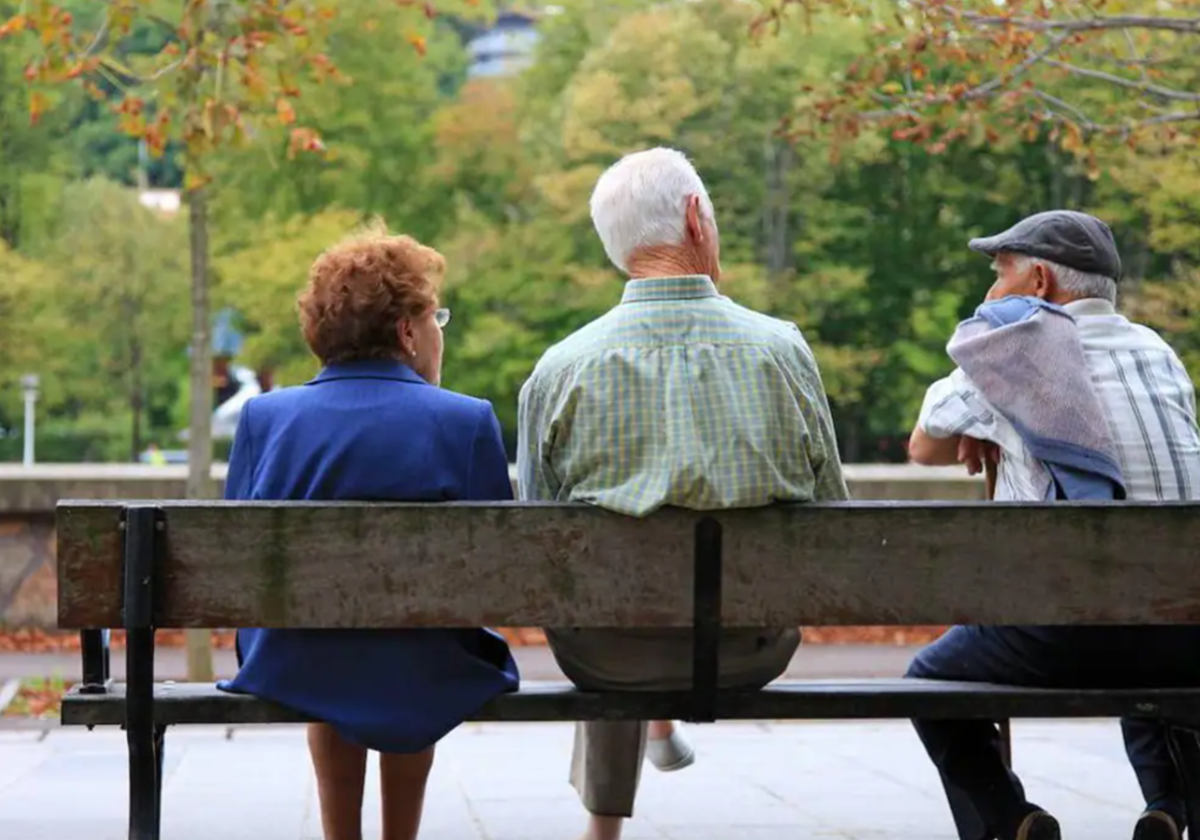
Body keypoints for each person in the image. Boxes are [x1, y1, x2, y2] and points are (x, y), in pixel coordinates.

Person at [517, 147, 848, 840]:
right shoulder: (782, 351)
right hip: (750, 647)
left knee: (611, 605)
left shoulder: (560, 370)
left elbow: (537, 544)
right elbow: (832, 520)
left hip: (605, 653)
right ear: (697, 218)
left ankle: (605, 820)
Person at [217, 223, 519, 840]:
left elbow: (239, 565)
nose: (439, 333)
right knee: (414, 645)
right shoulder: (465, 421)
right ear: (408, 332)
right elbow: (497, 573)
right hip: (426, 661)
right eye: (438, 319)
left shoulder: (264, 418)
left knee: (330, 643)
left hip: (293, 659)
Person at [907, 210, 1200, 840]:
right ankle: (1172, 809)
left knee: (927, 682)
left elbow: (923, 447)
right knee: (1149, 617)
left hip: (1060, 640)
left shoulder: (1010, 352)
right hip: (1185, 633)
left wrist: (982, 425)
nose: (990, 293)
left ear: (1038, 281)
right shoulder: (1160, 354)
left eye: (998, 274)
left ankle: (1010, 821)